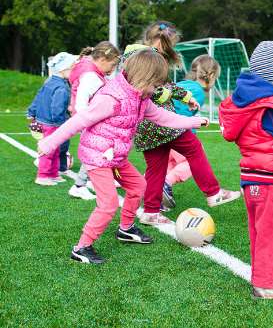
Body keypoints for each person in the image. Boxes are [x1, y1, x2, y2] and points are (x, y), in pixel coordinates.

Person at [37, 49, 207, 264]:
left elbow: (163, 117)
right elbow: (79, 121)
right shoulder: (111, 99)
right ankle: (81, 247)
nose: (158, 90)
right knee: (108, 204)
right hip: (98, 157)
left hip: (116, 157)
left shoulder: (141, 98)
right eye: (156, 85)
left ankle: (125, 228)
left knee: (138, 186)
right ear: (143, 78)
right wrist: (50, 143)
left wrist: (193, 121)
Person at [123, 21, 240, 226]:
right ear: (160, 41)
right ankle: (213, 193)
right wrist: (176, 100)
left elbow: (164, 86)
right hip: (161, 122)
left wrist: (185, 97)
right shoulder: (147, 58)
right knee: (194, 148)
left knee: (156, 167)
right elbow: (155, 90)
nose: (170, 50)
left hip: (145, 126)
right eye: (169, 45)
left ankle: (151, 212)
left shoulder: (136, 55)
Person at [219, 41, 273, 299]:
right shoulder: (270, 106)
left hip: (254, 178)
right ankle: (268, 284)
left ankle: (264, 276)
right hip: (269, 182)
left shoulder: (250, 103)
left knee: (261, 232)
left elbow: (265, 138)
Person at [161, 54, 221, 210]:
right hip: (175, 132)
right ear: (212, 75)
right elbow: (181, 113)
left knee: (168, 163)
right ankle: (165, 184)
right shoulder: (198, 92)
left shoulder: (183, 84)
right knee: (191, 161)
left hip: (161, 129)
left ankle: (151, 190)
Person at [67, 41, 121, 201]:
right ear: (103, 59)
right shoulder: (91, 76)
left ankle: (92, 180)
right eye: (112, 65)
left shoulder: (95, 72)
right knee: (96, 151)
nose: (113, 70)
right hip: (90, 120)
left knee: (103, 149)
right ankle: (78, 186)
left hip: (92, 119)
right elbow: (81, 102)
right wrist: (89, 121)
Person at [27, 52, 77, 186]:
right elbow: (57, 108)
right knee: (50, 150)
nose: (74, 71)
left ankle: (53, 174)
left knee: (55, 149)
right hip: (53, 123)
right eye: (72, 68)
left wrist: (31, 111)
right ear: (63, 69)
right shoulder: (62, 87)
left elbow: (38, 97)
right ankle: (43, 176)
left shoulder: (49, 82)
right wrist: (61, 124)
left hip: (44, 121)